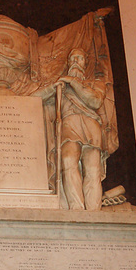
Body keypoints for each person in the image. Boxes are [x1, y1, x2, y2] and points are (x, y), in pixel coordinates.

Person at [58, 48, 106, 211]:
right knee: (68, 161)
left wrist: (73, 81)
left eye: (79, 58)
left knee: (92, 169)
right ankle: (76, 209)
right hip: (69, 124)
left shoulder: (95, 83)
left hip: (90, 124)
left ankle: (93, 211)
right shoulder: (61, 87)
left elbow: (94, 101)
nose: (75, 61)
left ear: (85, 62)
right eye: (72, 59)